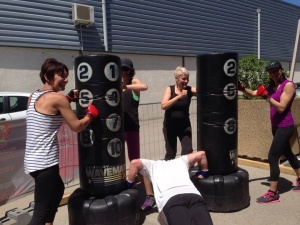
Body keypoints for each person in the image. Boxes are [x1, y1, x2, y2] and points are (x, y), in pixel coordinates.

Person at [24, 58, 99, 225]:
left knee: (57, 190)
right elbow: (77, 126)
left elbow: (48, 109)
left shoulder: (33, 96)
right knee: (40, 214)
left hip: (33, 161)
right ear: (47, 76)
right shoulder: (57, 99)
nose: (66, 79)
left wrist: (69, 98)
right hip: (44, 162)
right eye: (62, 76)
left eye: (67, 76)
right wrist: (91, 115)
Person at [239, 61, 300, 204]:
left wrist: (267, 97)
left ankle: (273, 193)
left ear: (281, 70)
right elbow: (254, 93)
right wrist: (240, 87)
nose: (273, 74)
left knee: (273, 156)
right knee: (289, 154)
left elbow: (281, 108)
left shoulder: (288, 85)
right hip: (276, 126)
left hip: (285, 127)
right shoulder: (272, 87)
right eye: (270, 72)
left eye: (275, 71)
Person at [126, 150, 213, 225]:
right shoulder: (181, 161)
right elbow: (201, 154)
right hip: (194, 195)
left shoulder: (153, 165)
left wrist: (130, 184)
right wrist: (203, 172)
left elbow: (134, 163)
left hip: (171, 199)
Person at [121, 58, 155, 210]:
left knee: (136, 162)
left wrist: (125, 86)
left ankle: (150, 196)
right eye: (121, 69)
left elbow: (145, 86)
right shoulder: (113, 85)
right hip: (116, 129)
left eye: (126, 69)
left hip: (131, 127)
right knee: (117, 160)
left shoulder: (134, 84)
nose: (123, 72)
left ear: (130, 70)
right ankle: (128, 184)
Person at [161, 66, 197, 160]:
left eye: (187, 79)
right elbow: (163, 106)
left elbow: (203, 92)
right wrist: (178, 97)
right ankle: (166, 173)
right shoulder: (170, 89)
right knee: (171, 153)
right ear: (176, 79)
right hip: (170, 127)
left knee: (187, 151)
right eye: (183, 79)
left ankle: (185, 172)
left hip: (184, 127)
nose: (186, 81)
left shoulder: (189, 90)